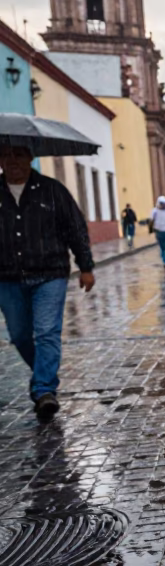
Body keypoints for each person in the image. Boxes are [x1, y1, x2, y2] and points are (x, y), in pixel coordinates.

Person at [0, 144, 95, 420]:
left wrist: (85, 266)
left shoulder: (53, 191)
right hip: (7, 277)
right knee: (18, 334)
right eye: (7, 155)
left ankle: (44, 390)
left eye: (19, 155)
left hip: (49, 273)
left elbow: (75, 229)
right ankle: (45, 374)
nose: (13, 160)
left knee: (46, 332)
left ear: (30, 158)